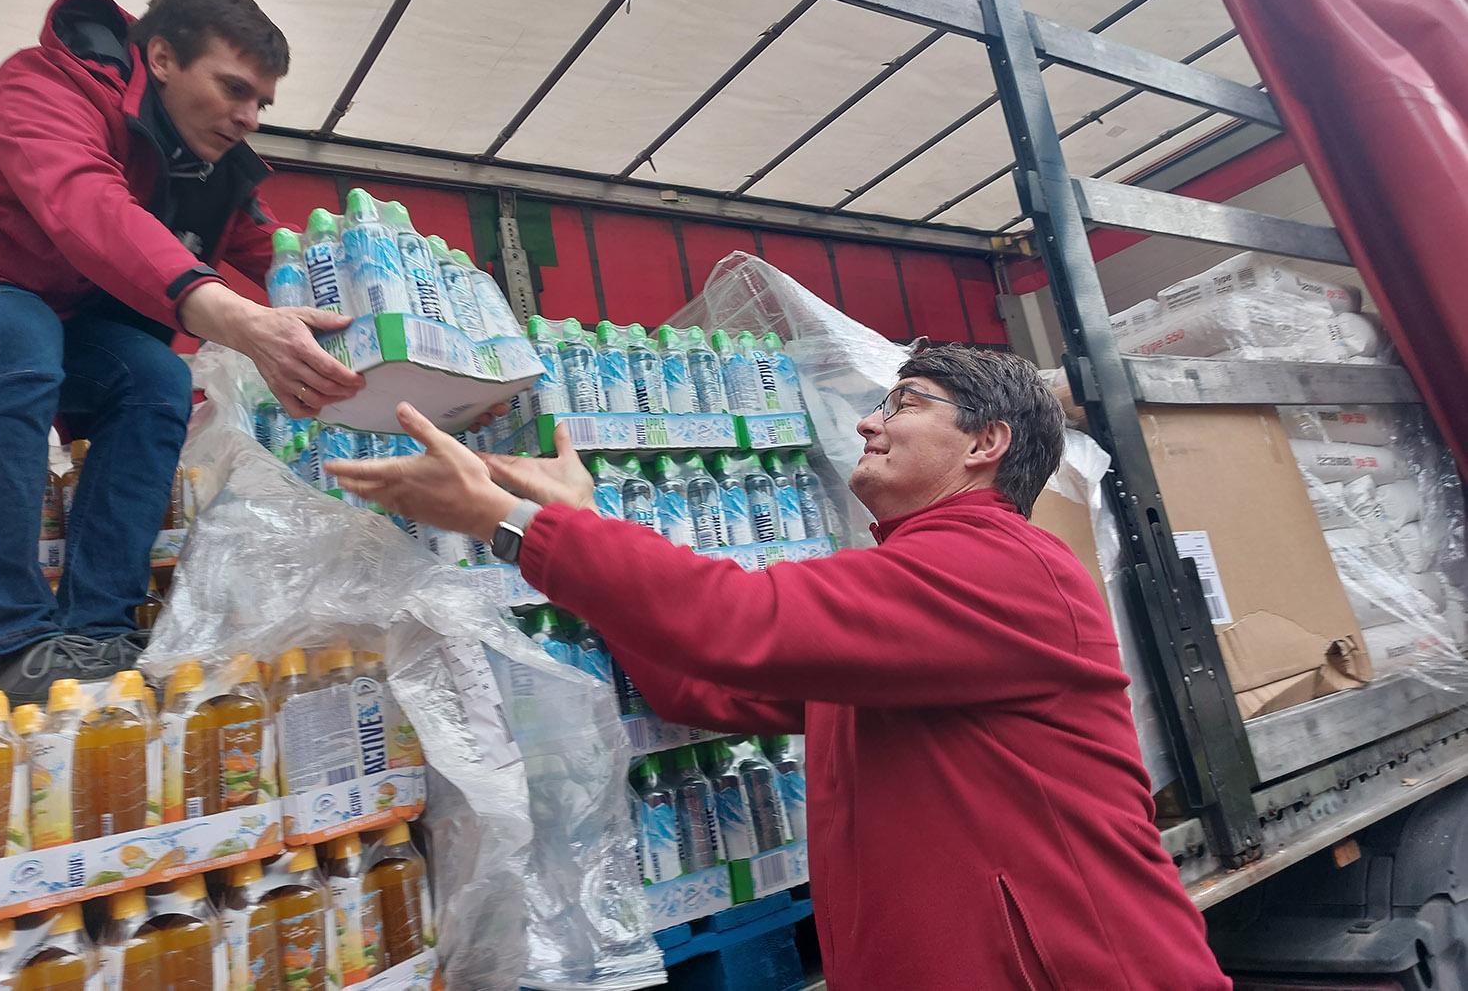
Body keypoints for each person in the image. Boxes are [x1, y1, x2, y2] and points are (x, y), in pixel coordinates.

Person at [327, 344, 1229, 989]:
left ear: (986, 442)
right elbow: (706, 682)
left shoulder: (1001, 565)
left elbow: (735, 620)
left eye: (905, 402)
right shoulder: (913, 595)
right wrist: (586, 518)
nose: (870, 422)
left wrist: (512, 523)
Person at [0, 0, 363, 702]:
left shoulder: (202, 164)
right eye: (234, 89)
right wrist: (239, 321)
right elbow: (89, 208)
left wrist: (410, 356)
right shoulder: (41, 89)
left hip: (50, 313)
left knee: (154, 377)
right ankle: (1, 639)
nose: (248, 118)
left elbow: (282, 257)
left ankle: (98, 628)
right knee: (16, 338)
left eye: (262, 105)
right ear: (160, 58)